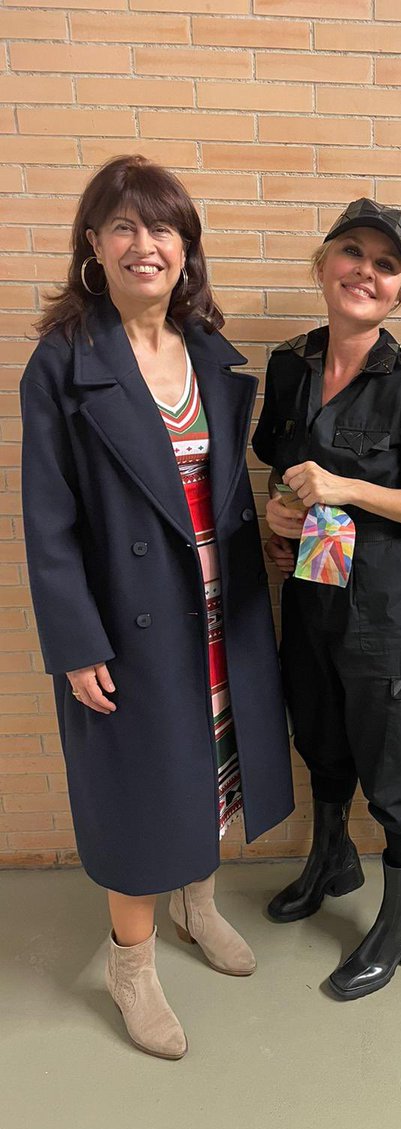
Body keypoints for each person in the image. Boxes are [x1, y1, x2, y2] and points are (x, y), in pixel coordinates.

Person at [19, 155, 294, 1060]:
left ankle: (196, 909)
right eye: (125, 226)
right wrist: (74, 641)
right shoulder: (62, 364)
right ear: (93, 246)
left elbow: (220, 491)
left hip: (220, 609)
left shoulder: (210, 355)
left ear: (187, 249)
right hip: (129, 623)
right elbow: (48, 520)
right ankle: (130, 967)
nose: (147, 245)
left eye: (164, 228)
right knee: (141, 797)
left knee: (211, 775)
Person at [253, 198, 401, 1000]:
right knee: (319, 731)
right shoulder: (289, 367)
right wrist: (280, 512)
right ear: (323, 264)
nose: (364, 272)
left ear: (400, 291)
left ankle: (400, 918)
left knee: (397, 770)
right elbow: (282, 468)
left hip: (383, 608)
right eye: (352, 252)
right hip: (311, 587)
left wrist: (345, 486)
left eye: (385, 264)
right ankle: (330, 859)